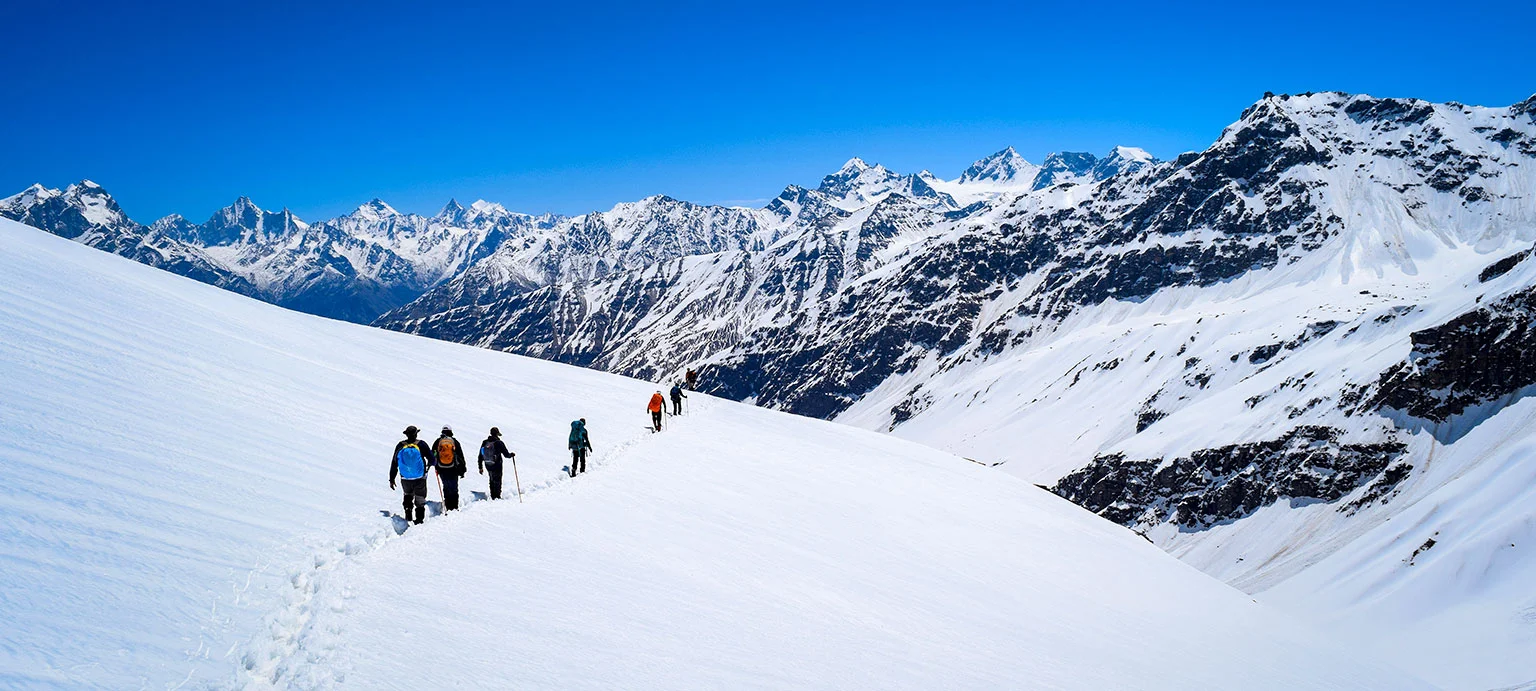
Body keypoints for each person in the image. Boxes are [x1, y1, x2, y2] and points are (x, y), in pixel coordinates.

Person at [389, 425, 433, 524]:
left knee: (408, 495)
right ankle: (419, 520)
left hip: (405, 477)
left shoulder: (400, 445)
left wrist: (392, 479)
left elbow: (394, 462)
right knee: (420, 498)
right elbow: (432, 459)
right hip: (420, 477)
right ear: (416, 434)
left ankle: (408, 514)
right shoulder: (421, 444)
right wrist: (431, 464)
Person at [432, 425, 467, 510]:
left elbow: (433, 454)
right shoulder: (454, 441)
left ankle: (448, 506)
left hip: (441, 468)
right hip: (453, 468)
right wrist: (463, 470)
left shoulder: (438, 441)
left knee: (446, 486)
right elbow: (460, 456)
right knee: (454, 487)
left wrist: (435, 466)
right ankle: (454, 507)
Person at [478, 427, 514, 500]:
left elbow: (480, 455)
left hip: (488, 464)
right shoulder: (499, 443)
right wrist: (511, 455)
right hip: (497, 465)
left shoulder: (485, 442)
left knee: (491, 479)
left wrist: (480, 467)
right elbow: (506, 455)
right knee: (497, 480)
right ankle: (497, 497)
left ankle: (493, 496)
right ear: (497, 434)